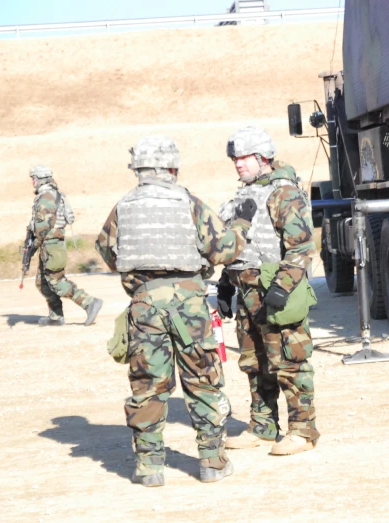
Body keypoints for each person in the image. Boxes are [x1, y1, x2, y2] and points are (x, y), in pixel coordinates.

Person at [95, 135, 256, 487]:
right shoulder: (189, 203)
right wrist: (242, 225)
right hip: (190, 305)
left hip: (145, 305)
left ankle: (149, 466)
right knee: (202, 380)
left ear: (138, 168)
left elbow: (107, 252)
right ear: (171, 168)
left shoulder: (123, 206)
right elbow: (224, 249)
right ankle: (212, 462)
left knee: (148, 384)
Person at [218, 127, 320, 456]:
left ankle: (302, 432)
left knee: (290, 362)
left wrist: (282, 288)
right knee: (254, 362)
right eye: (235, 158)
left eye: (244, 157)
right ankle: (262, 426)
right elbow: (238, 243)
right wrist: (224, 281)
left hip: (275, 289)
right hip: (246, 290)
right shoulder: (244, 195)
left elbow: (302, 247)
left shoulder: (284, 192)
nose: (238, 164)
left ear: (263, 158)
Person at [27, 165, 103, 327]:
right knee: (42, 282)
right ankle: (55, 316)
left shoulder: (47, 196)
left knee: (56, 281)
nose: (32, 181)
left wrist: (32, 245)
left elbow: (42, 227)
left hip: (51, 244)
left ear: (40, 179)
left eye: (33, 178)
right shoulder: (50, 194)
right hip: (49, 244)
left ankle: (89, 302)